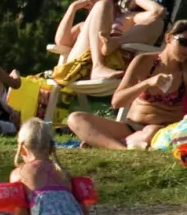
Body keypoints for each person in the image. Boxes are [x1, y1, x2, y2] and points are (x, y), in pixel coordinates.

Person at [67, 21, 187, 149]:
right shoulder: (143, 61)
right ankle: (122, 148)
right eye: (184, 42)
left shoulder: (185, 71)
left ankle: (107, 143)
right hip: (130, 126)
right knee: (75, 118)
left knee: (151, 132)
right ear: (168, 38)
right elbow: (117, 101)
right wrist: (146, 83)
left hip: (162, 131)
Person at [49, 0, 164, 85]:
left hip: (114, 65)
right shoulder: (85, 25)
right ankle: (98, 65)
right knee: (103, 4)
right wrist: (73, 8)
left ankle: (114, 43)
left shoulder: (127, 18)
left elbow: (158, 12)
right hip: (81, 65)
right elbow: (61, 42)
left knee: (158, 23)